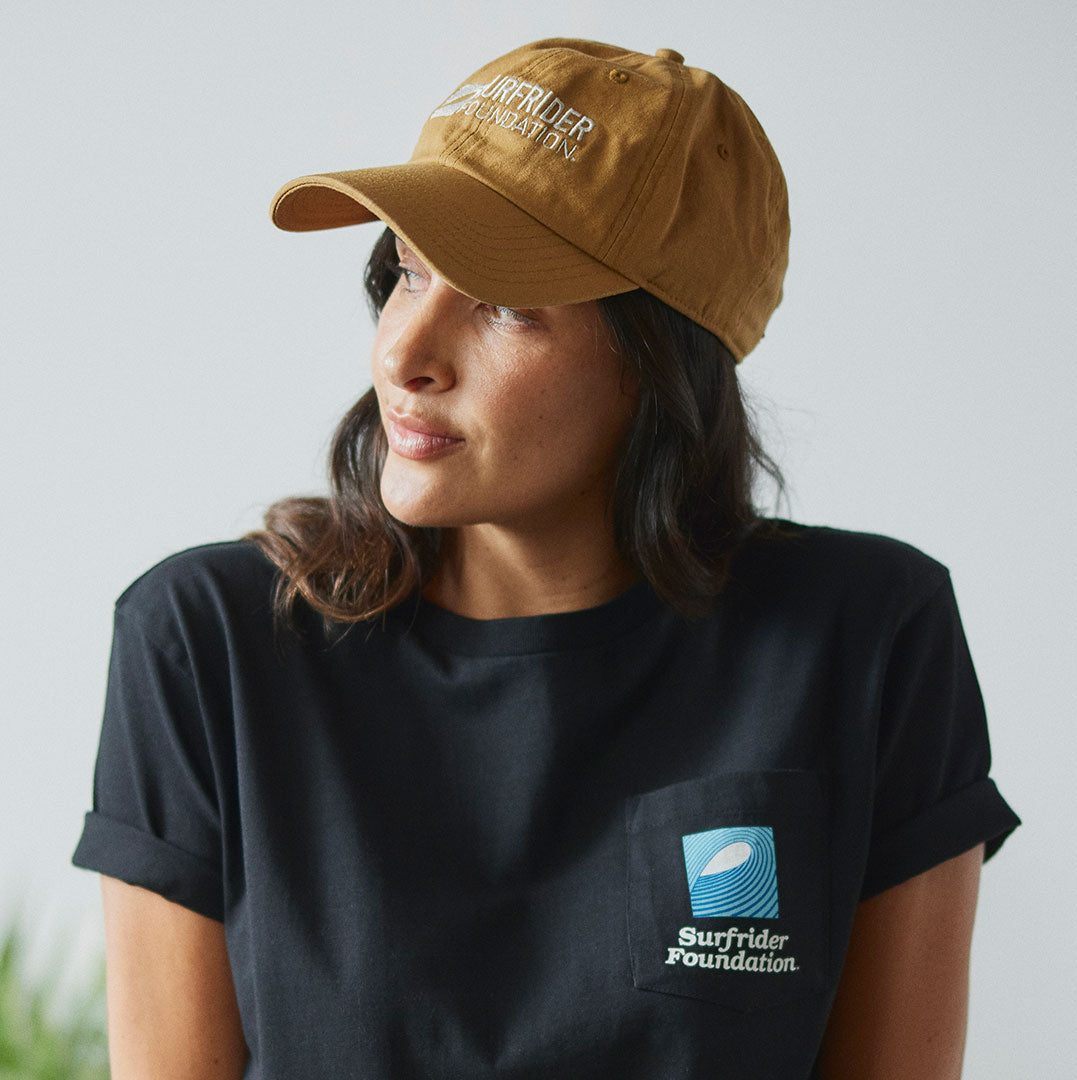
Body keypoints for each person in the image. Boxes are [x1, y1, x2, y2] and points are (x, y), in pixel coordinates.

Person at [73, 37, 1019, 1080]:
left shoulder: (867, 639)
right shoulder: (210, 644)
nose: (402, 353)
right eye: (408, 271)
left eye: (502, 304)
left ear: (660, 366)